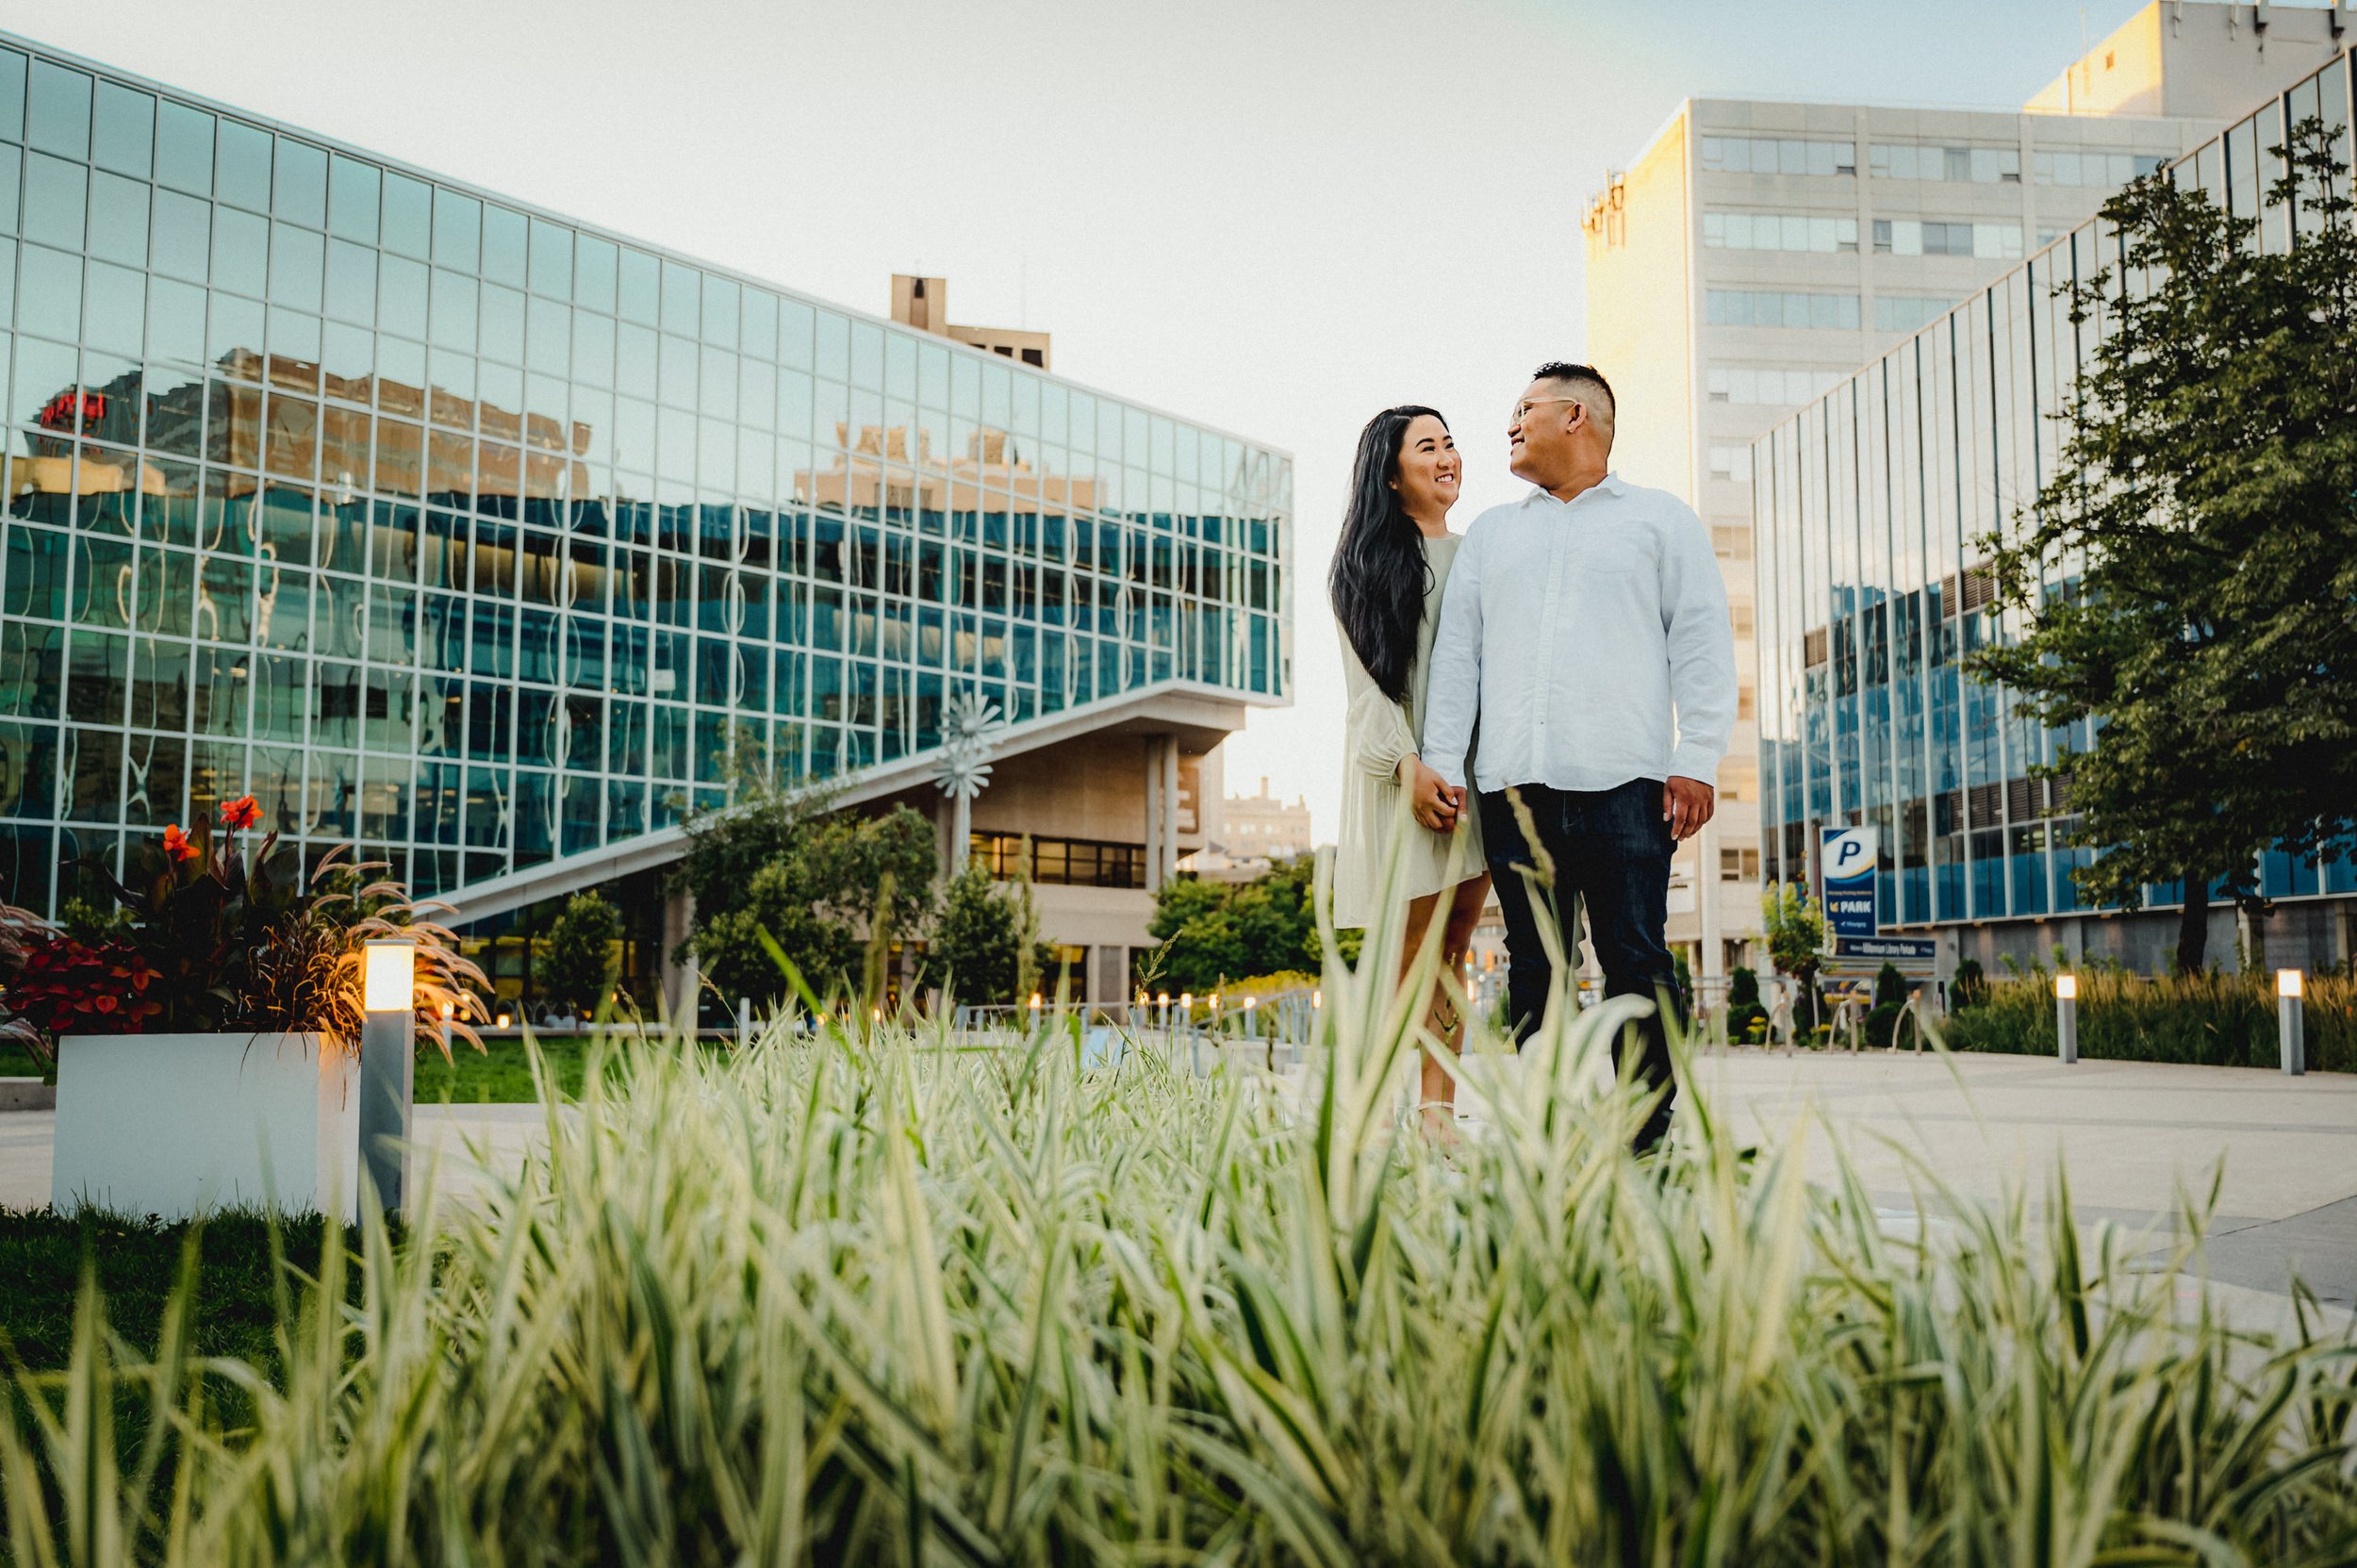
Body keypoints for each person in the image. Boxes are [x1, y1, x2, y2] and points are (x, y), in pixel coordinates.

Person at [1420, 363, 1737, 1154]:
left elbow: (1700, 640)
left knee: (1637, 959)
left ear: (1576, 418)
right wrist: (1442, 763)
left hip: (1628, 786)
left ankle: (1643, 1132)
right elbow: (1458, 658)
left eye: (1525, 409)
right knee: (1536, 969)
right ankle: (1546, 1126)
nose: (1510, 425)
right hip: (1512, 788)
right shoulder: (1494, 533)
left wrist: (1695, 756)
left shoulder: (1661, 521)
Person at [1328, 405, 1492, 1131]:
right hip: (1406, 776)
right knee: (1408, 952)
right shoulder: (1363, 567)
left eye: (1451, 442)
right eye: (1429, 446)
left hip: (1478, 775)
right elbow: (1366, 689)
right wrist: (1407, 767)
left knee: (1454, 947)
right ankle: (1361, 1109)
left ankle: (1437, 1114)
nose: (1448, 456)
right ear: (1392, 475)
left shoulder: (1480, 552)